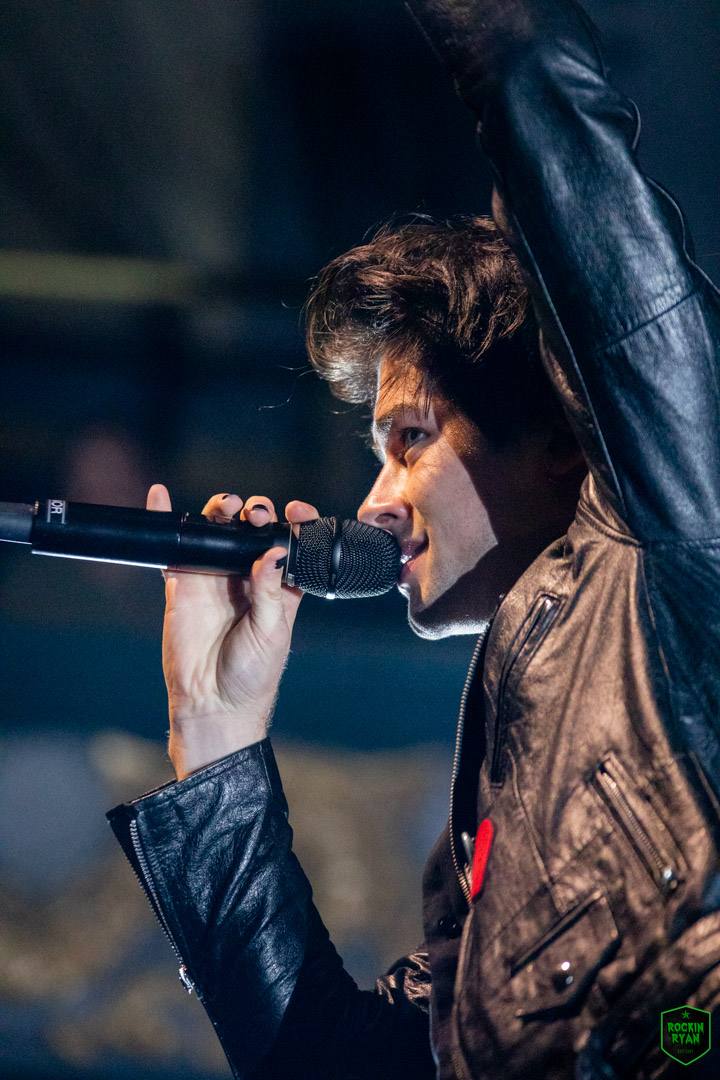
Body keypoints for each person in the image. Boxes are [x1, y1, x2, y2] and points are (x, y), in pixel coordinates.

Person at [107, 0, 720, 1077]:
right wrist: (216, 736)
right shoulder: (489, 823)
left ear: (564, 443)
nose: (378, 499)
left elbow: (538, 91)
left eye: (412, 441)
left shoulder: (671, 535)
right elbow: (326, 1060)